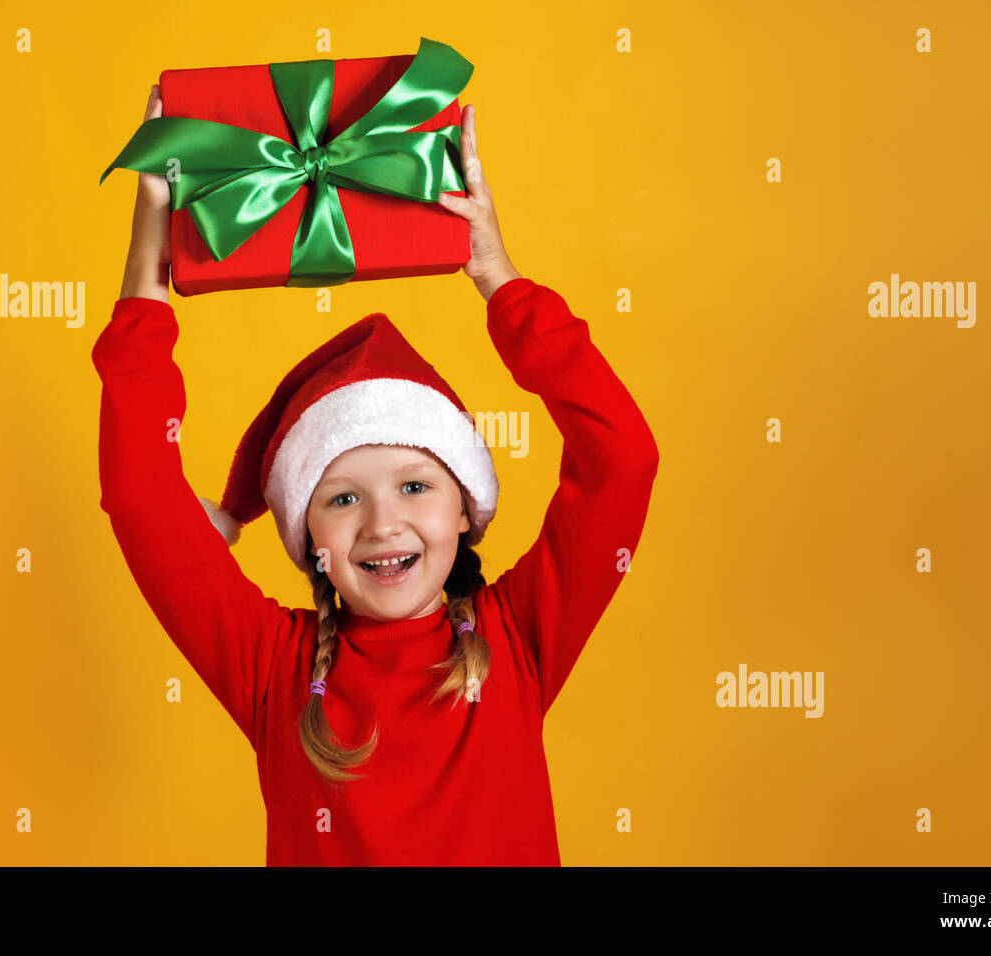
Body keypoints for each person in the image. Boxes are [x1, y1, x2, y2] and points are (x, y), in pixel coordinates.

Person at [93, 84, 659, 865]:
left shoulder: (517, 641)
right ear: (306, 536)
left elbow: (623, 460)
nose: (383, 522)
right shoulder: (273, 669)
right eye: (343, 497)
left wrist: (500, 278)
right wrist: (147, 274)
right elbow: (138, 496)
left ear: (466, 509)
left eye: (416, 485)